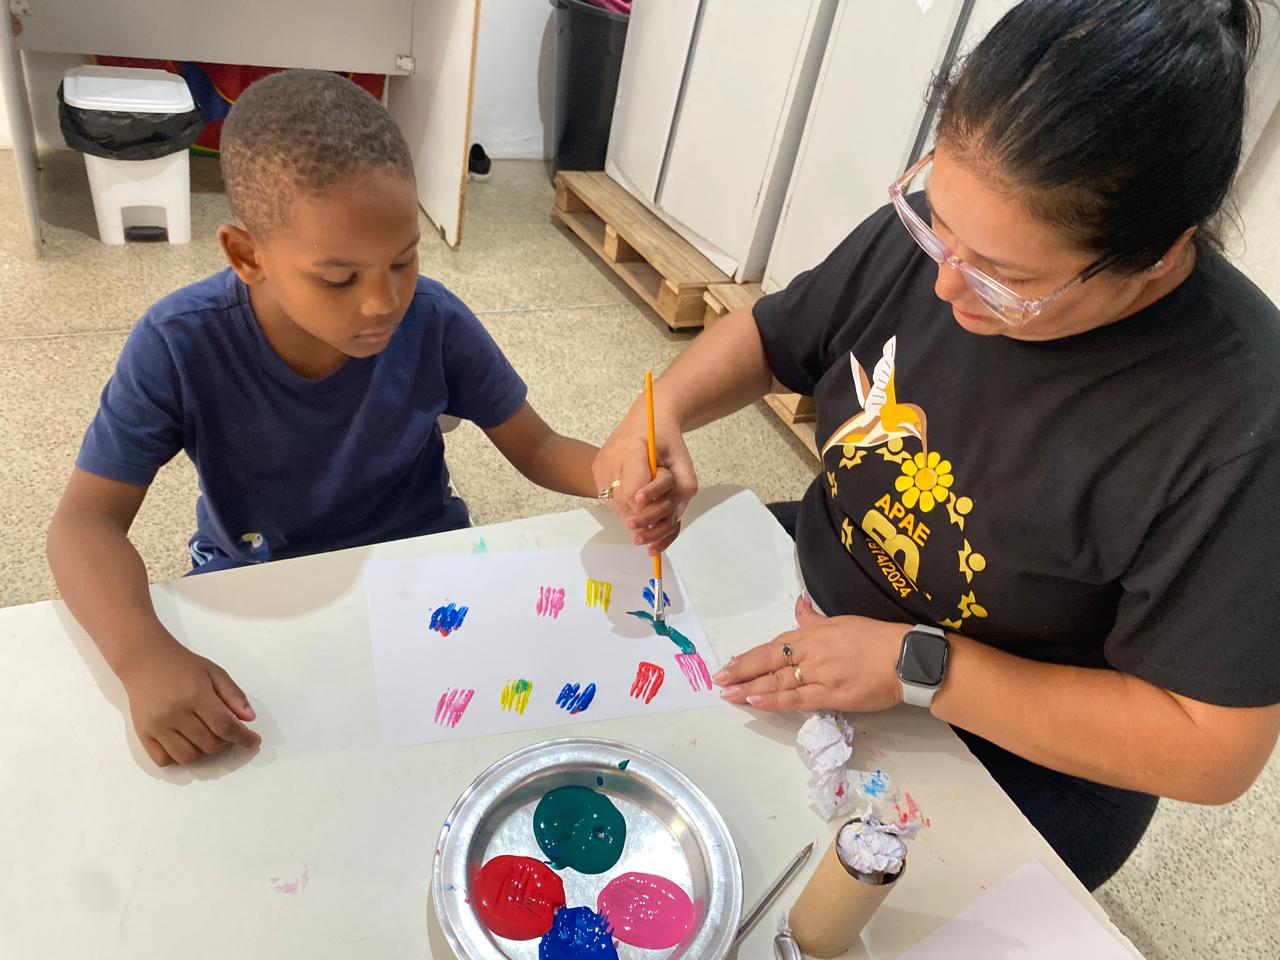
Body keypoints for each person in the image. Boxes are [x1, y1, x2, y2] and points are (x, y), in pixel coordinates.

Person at [594, 0, 1280, 890]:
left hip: (1008, 747)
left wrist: (916, 665)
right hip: (814, 594)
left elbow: (1212, 750)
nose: (948, 286)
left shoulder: (1238, 420)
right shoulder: (946, 240)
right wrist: (662, 411)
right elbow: (772, 335)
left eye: (1006, 278)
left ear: (1157, 253)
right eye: (937, 229)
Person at [46, 70, 678, 770]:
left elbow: (538, 445)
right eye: (339, 278)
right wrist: (141, 656)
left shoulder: (433, 320)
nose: (383, 303)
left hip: (423, 575)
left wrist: (613, 472)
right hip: (260, 581)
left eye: (403, 262)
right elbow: (85, 522)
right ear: (247, 256)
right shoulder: (179, 343)